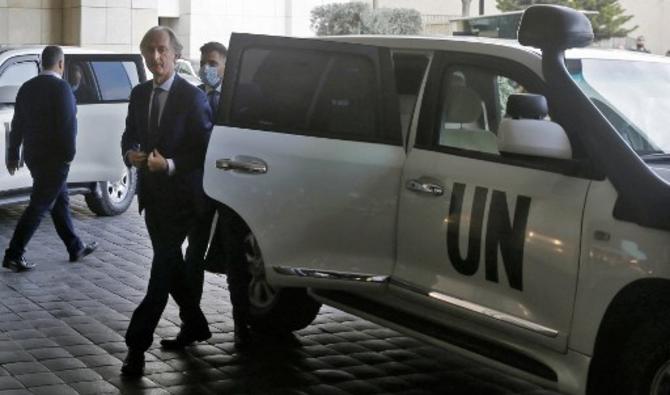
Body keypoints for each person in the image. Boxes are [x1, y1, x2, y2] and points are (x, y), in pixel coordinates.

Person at [120, 26, 213, 377]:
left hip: (184, 199)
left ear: (175, 54)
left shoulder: (193, 98)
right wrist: (129, 152)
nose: (155, 57)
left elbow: (203, 149)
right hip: (151, 199)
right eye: (149, 50)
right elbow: (129, 132)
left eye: (161, 50)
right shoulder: (139, 93)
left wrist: (170, 164)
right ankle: (195, 324)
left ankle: (136, 346)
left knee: (160, 271)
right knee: (171, 264)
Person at [3, 46, 98, 272]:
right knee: (39, 205)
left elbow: (18, 124)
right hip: (56, 158)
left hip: (34, 156)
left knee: (60, 200)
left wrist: (13, 153)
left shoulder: (27, 87)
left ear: (42, 62)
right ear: (61, 64)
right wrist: (68, 157)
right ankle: (13, 254)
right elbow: (68, 126)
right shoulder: (62, 88)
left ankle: (75, 247)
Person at [192, 41, 253, 349]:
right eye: (204, 62)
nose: (207, 68)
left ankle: (242, 321)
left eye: (213, 63)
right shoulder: (198, 95)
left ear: (226, 66)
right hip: (202, 189)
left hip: (229, 189)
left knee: (235, 259)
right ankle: (192, 322)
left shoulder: (239, 100)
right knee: (194, 256)